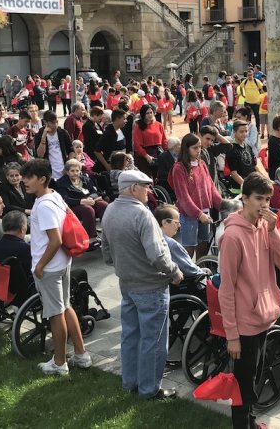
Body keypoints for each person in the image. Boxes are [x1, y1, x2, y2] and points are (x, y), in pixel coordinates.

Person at [102, 170, 182, 400]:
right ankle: (149, 390)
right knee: (153, 341)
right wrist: (174, 271)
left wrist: (122, 264)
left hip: (127, 283)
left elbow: (106, 251)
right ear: (133, 188)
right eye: (145, 186)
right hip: (151, 287)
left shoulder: (109, 210)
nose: (148, 190)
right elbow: (157, 254)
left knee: (130, 336)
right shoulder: (142, 214)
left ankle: (130, 383)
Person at [219, 172, 280, 428]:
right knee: (243, 387)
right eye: (259, 198)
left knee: (254, 379)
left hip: (264, 316)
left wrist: (273, 231)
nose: (264, 204)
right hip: (245, 324)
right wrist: (232, 335)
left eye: (268, 199)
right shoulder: (232, 236)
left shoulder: (264, 226)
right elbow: (226, 289)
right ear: (244, 198)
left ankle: (251, 422)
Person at [19, 159, 93, 375]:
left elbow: (55, 240)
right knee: (65, 307)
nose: (25, 181)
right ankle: (81, 355)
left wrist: (39, 266)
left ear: (42, 179)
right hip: (63, 262)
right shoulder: (55, 196)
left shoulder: (43, 205)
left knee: (55, 313)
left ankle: (59, 363)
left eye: (29, 177)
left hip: (50, 267)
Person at [169, 133, 222, 260]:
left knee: (203, 246)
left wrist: (224, 206)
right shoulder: (179, 168)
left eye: (199, 147)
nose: (198, 150)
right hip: (189, 215)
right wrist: (199, 214)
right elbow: (183, 197)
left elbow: (211, 188)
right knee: (189, 249)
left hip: (205, 211)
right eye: (195, 148)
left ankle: (200, 268)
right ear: (186, 148)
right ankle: (185, 272)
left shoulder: (201, 164)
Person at [55, 159, 107, 245]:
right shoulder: (62, 182)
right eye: (72, 171)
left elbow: (95, 191)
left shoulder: (85, 179)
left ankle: (108, 233)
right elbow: (64, 199)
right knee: (88, 210)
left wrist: (91, 198)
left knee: (103, 205)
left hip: (90, 201)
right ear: (67, 172)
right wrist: (81, 201)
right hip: (73, 207)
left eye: (77, 170)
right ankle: (91, 239)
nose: (75, 173)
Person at [155, 204, 208, 279]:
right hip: (178, 280)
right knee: (207, 271)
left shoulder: (151, 239)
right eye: (176, 222)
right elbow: (190, 269)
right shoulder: (171, 244)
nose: (179, 225)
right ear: (165, 223)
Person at [34, 111, 74, 180]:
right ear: (45, 122)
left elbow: (71, 150)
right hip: (49, 172)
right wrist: (43, 137)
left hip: (63, 170)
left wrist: (68, 165)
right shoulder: (40, 134)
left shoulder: (63, 133)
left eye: (57, 122)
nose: (55, 125)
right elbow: (40, 155)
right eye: (52, 123)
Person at [226, 120, 265, 188]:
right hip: (239, 189)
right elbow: (233, 173)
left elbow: (255, 167)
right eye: (241, 132)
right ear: (234, 132)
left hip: (252, 185)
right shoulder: (231, 149)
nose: (244, 134)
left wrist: (265, 179)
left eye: (246, 131)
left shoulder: (248, 146)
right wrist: (246, 187)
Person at [132, 104, 168, 178]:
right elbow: (137, 145)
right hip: (143, 157)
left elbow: (164, 141)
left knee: (159, 177)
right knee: (148, 179)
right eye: (147, 113)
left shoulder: (159, 125)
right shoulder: (138, 126)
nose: (150, 115)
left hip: (158, 153)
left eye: (151, 112)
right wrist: (146, 156)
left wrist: (166, 153)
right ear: (143, 114)